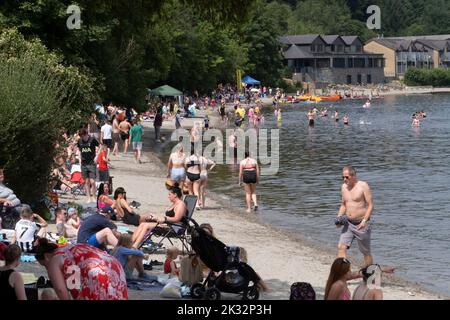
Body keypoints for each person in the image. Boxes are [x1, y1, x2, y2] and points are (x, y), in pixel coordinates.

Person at [35, 238, 128, 300]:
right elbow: (75, 286)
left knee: (46, 294)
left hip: (98, 273)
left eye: (44, 265)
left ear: (46, 256)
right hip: (114, 267)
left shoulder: (54, 260)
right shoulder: (71, 250)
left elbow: (60, 290)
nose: (47, 270)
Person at [337, 166, 374, 266]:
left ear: (354, 176)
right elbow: (343, 204)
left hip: (361, 224)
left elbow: (370, 205)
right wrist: (339, 218)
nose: (344, 179)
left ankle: (369, 276)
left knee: (366, 253)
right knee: (341, 247)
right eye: (343, 177)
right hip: (348, 223)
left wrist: (364, 221)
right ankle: (342, 275)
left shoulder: (363, 186)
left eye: (347, 177)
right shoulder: (343, 187)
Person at [131, 183, 187, 248]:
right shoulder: (175, 204)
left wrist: (165, 219)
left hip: (174, 228)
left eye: (169, 194)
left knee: (146, 225)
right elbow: (169, 217)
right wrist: (157, 216)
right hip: (168, 225)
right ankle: (130, 243)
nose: (168, 196)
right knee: (142, 224)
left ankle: (135, 246)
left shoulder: (180, 205)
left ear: (175, 195)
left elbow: (177, 219)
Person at [77, 128, 99, 203]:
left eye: (82, 136)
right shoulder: (79, 141)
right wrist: (79, 159)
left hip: (91, 163)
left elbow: (101, 146)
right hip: (84, 163)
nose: (81, 137)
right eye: (80, 136)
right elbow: (79, 150)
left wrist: (97, 156)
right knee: (86, 181)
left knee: (92, 181)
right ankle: (88, 197)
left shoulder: (92, 139)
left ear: (86, 134)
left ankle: (94, 196)